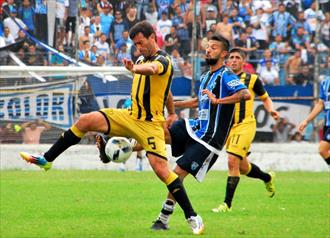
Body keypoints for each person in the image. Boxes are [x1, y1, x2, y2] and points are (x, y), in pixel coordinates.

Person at [19, 21, 204, 235]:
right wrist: (172, 112)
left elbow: (153, 69)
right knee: (86, 120)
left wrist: (136, 69)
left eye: (141, 43)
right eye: (135, 45)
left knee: (162, 171)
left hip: (150, 125)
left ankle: (192, 216)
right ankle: (47, 159)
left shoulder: (163, 61)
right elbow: (166, 91)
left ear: (153, 37)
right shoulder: (141, 58)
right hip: (129, 116)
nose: (138, 49)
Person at [140, 34, 251, 230]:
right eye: (208, 47)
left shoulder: (226, 75)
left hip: (209, 139)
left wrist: (218, 101)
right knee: (159, 131)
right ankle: (126, 145)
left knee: (177, 173)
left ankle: (164, 218)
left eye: (214, 48)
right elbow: (197, 102)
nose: (208, 50)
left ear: (223, 53)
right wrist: (164, 105)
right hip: (196, 127)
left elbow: (245, 94)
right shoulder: (205, 76)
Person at [211, 48, 280, 213]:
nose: (233, 60)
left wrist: (271, 110)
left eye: (237, 58)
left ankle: (227, 204)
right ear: (227, 61)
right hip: (228, 127)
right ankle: (267, 177)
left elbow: (265, 98)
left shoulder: (253, 79)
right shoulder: (222, 78)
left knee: (232, 161)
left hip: (245, 124)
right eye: (231, 58)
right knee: (242, 167)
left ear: (244, 61)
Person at [298, 79, 330, 168]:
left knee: (322, 149)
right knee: (323, 150)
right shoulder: (325, 82)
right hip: (328, 123)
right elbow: (320, 104)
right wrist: (306, 121)